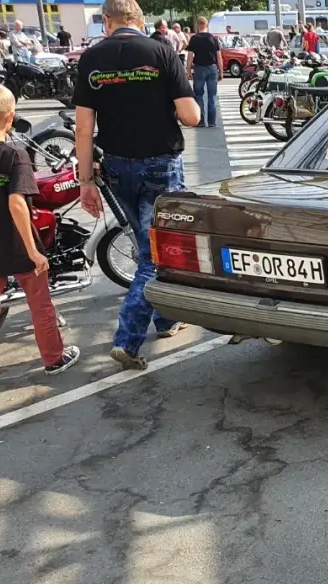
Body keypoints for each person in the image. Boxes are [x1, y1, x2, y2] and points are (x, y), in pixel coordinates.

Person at [73, 0, 200, 371]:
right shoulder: (161, 52)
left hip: (116, 165)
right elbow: (192, 116)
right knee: (157, 254)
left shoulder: (92, 58)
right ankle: (127, 340)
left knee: (147, 244)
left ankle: (166, 319)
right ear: (140, 21)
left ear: (107, 22)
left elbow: (83, 128)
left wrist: (85, 181)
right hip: (160, 163)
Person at [0, 82, 80, 404]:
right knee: (40, 303)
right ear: (10, 117)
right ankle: (54, 358)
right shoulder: (15, 156)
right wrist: (34, 250)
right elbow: (17, 204)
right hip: (19, 244)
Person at [185, 15, 221, 128]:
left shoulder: (194, 38)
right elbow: (219, 56)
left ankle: (200, 121)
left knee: (198, 95)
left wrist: (188, 71)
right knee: (212, 95)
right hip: (212, 67)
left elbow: (190, 56)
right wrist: (221, 71)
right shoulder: (213, 38)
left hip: (199, 68)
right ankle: (211, 121)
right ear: (206, 25)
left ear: (198, 25)